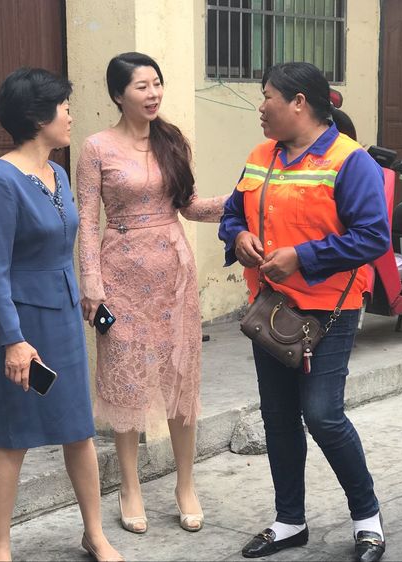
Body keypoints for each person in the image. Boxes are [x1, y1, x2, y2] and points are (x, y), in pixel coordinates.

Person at [218, 62, 390, 562]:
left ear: (299, 102)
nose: (261, 107)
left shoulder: (349, 160)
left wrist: (303, 256)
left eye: (267, 96)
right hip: (271, 308)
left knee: (322, 415)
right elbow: (232, 213)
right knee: (277, 416)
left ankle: (367, 519)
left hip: (328, 310)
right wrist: (239, 236)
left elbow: (373, 237)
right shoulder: (259, 157)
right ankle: (289, 520)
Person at [76, 52, 228, 535]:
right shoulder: (96, 148)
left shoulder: (172, 140)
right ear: (118, 95)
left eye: (157, 83)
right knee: (125, 382)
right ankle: (130, 486)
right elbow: (86, 222)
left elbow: (190, 207)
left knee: (180, 378)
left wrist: (240, 203)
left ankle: (186, 484)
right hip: (119, 281)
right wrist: (91, 284)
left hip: (173, 279)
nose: (153, 93)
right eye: (142, 86)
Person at [0, 67, 122, 562]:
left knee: (78, 430)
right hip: (22, 325)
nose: (71, 116)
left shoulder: (58, 173)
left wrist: (88, 295)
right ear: (39, 118)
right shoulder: (0, 181)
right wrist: (13, 341)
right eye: (65, 108)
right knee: (13, 435)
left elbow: (70, 242)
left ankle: (94, 534)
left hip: (62, 317)